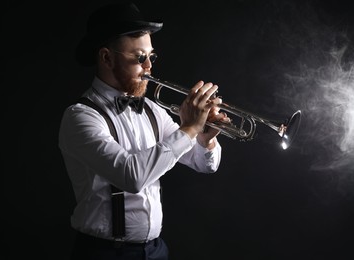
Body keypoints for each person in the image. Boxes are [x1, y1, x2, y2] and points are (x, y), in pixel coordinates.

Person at [58, 2, 230, 260]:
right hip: (104, 253)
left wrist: (204, 138)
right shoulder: (80, 117)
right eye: (140, 57)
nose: (149, 66)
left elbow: (205, 165)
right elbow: (131, 176)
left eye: (152, 56)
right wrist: (190, 128)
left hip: (155, 251)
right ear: (106, 57)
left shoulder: (151, 109)